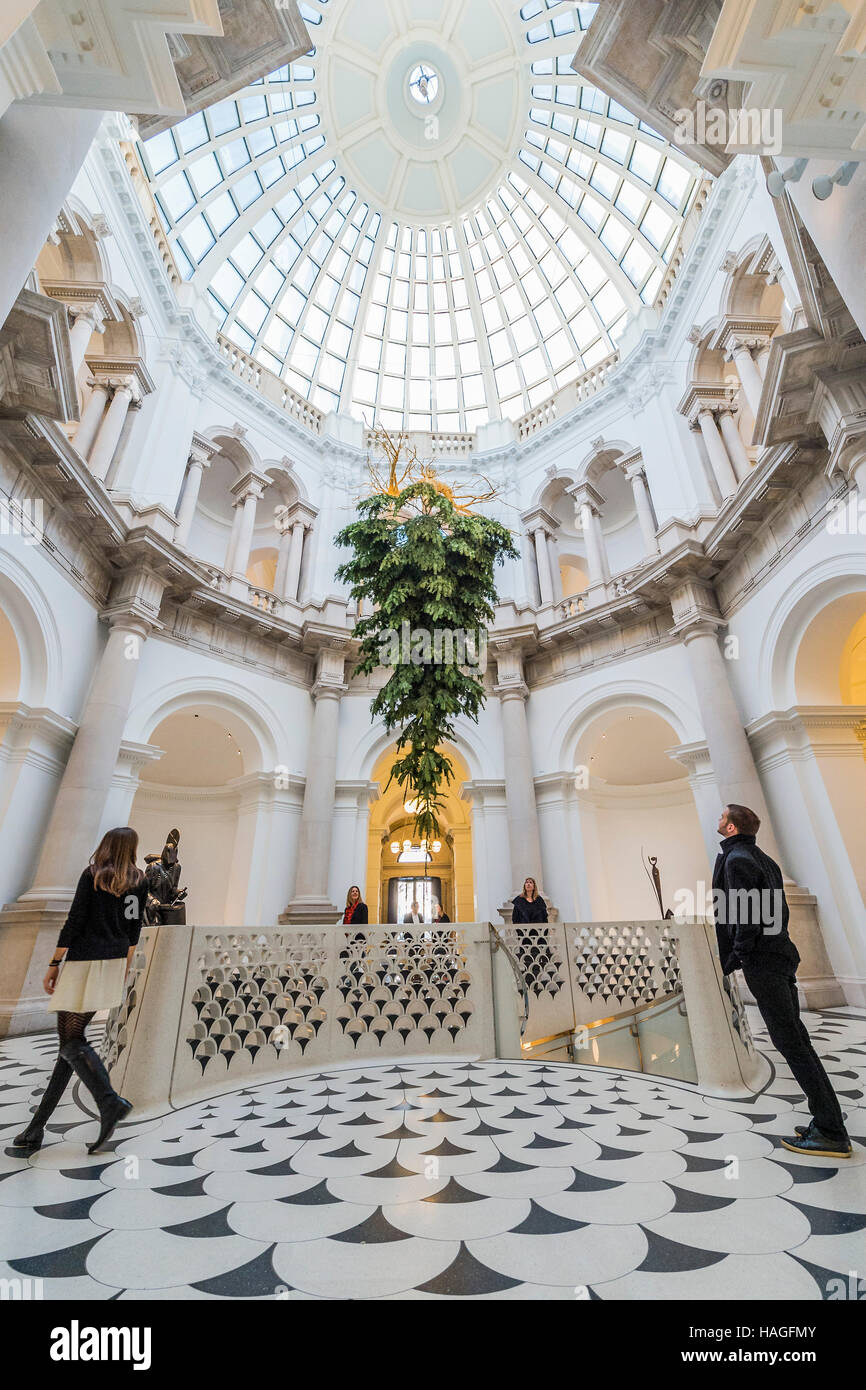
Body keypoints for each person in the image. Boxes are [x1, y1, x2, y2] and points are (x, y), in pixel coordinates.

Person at [713, 804, 851, 1158]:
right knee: (797, 1040)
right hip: (779, 955)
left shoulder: (737, 860)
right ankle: (827, 1120)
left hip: (765, 961)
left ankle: (832, 1131)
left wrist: (741, 955)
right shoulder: (763, 858)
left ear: (730, 827)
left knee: (792, 1044)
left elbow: (745, 917)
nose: (718, 820)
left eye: (721, 817)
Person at [13, 827, 147, 1156]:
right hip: (113, 960)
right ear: (131, 848)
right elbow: (133, 927)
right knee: (69, 1045)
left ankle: (110, 1102)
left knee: (71, 1041)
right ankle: (36, 1128)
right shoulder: (138, 881)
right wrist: (124, 966)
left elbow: (76, 919)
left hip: (84, 959)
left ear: (106, 845)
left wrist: (53, 963)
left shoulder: (93, 875)